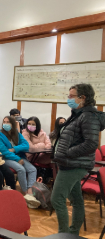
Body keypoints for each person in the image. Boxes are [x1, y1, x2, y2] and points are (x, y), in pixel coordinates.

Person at [51, 83, 105, 235]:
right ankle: (72, 233)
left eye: (71, 96)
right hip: (70, 163)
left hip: (74, 164)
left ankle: (63, 234)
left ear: (83, 98)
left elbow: (91, 143)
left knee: (57, 199)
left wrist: (67, 153)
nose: (68, 99)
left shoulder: (88, 116)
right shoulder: (78, 114)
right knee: (76, 200)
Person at [0, 116, 40, 208]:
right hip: (5, 158)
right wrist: (17, 159)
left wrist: (14, 149)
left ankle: (30, 192)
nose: (6, 124)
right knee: (21, 169)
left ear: (13, 124)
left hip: (17, 156)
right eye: (4, 122)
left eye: (8, 122)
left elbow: (26, 145)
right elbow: (4, 152)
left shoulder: (17, 134)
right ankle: (25, 192)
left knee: (32, 169)